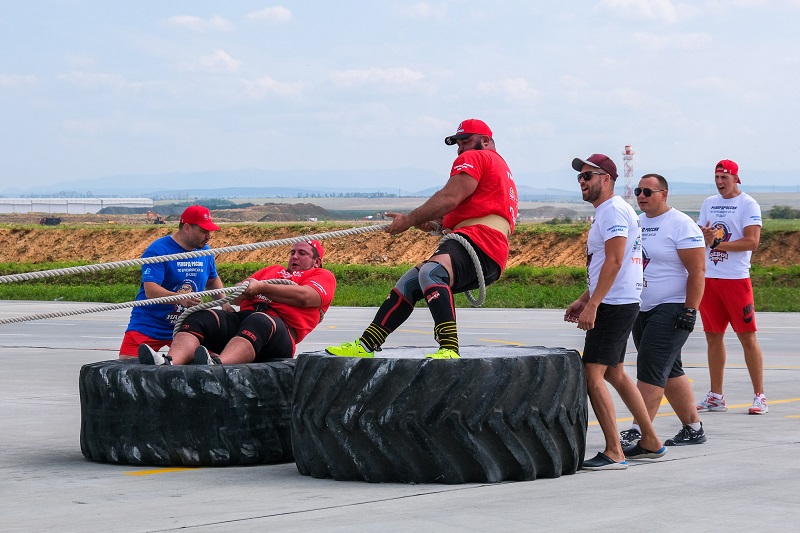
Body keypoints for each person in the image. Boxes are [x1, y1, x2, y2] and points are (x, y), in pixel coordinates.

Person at [326, 118, 518, 359]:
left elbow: (449, 197)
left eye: (465, 141)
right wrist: (432, 224)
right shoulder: (501, 169)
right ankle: (367, 344)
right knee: (408, 284)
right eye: (457, 143)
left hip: (479, 240)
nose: (460, 149)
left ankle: (449, 348)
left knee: (432, 273)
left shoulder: (475, 158)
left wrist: (408, 220)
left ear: (486, 141)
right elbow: (471, 211)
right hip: (489, 248)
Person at [564, 154, 665, 471]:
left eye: (588, 176)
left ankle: (614, 451)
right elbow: (604, 265)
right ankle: (650, 440)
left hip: (614, 304)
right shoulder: (611, 212)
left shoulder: (613, 212)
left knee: (592, 375)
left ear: (606, 178)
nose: (583, 181)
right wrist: (585, 298)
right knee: (615, 373)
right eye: (580, 177)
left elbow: (615, 261)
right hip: (618, 300)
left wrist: (594, 305)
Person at [617, 174, 708, 449]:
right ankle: (693, 428)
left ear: (664, 194)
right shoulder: (637, 222)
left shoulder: (681, 224)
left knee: (650, 366)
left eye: (647, 191)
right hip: (641, 307)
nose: (641, 196)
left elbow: (698, 270)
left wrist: (690, 310)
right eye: (638, 191)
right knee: (670, 371)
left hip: (672, 306)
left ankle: (640, 431)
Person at [138, 240, 335, 365]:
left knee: (260, 320)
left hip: (278, 334)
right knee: (201, 317)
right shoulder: (271, 270)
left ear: (316, 261)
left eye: (302, 253)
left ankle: (218, 365)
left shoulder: (322, 275)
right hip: (245, 321)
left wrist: (261, 289)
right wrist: (248, 288)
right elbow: (239, 296)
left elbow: (306, 297)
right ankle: (170, 362)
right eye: (292, 252)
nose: (295, 256)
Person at [696, 160, 768, 414]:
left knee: (747, 336)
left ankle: (760, 395)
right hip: (710, 279)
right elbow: (702, 234)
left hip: (736, 279)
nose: (719, 182)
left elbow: (752, 241)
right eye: (716, 177)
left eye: (724, 177)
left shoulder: (748, 204)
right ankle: (716, 395)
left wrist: (717, 244)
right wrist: (704, 239)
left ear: (736, 178)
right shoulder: (709, 203)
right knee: (713, 337)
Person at [119, 205, 227, 358]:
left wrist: (225, 303)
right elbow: (150, 290)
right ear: (187, 228)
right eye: (204, 231)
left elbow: (212, 279)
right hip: (149, 324)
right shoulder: (158, 250)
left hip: (187, 325)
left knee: (215, 359)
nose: (209, 235)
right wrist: (179, 298)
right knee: (126, 366)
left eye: (210, 231)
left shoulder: (206, 251)